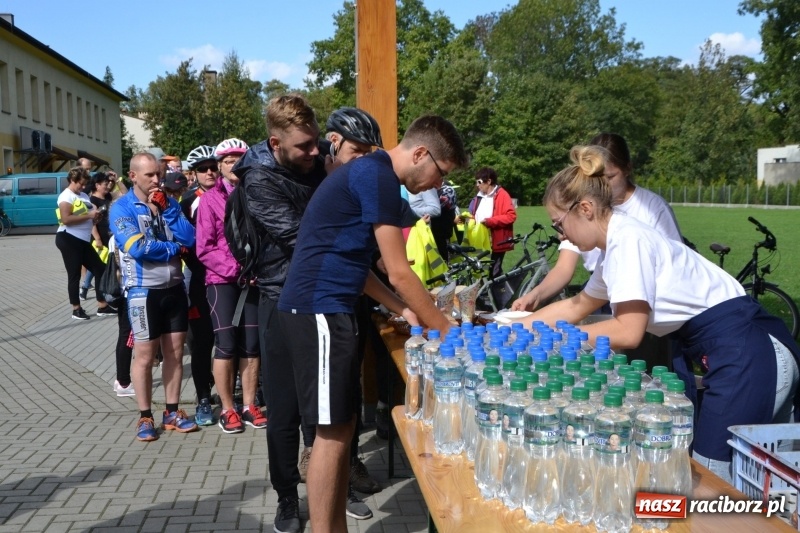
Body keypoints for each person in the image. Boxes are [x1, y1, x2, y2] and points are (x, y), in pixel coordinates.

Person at [514, 145, 799, 484]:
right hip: (740, 349)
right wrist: (515, 326)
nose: (562, 236)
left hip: (747, 352)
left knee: (711, 478)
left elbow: (629, 331)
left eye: (560, 225)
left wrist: (559, 336)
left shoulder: (627, 242)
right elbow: (579, 305)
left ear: (586, 209)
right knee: (744, 479)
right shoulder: (617, 242)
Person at [277, 114, 468, 532]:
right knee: (331, 435)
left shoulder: (373, 173)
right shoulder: (376, 174)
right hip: (319, 309)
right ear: (420, 153)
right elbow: (399, 271)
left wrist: (404, 309)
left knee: (342, 429)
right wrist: (452, 334)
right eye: (440, 173)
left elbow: (361, 267)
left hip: (327, 308)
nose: (438, 185)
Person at [237, 94, 328, 533]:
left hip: (323, 298)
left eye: (316, 143)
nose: (315, 152)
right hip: (279, 297)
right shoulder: (258, 180)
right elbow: (303, 237)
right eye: (304, 148)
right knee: (286, 410)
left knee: (323, 408)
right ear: (275, 144)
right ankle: (288, 499)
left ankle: (329, 490)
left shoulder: (318, 158)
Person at [299, 107, 385, 497]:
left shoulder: (357, 180)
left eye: (371, 152)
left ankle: (343, 477)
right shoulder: (313, 181)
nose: (364, 160)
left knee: (343, 408)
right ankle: (306, 493)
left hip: (347, 297)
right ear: (332, 145)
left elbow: (366, 254)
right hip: (311, 301)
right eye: (357, 151)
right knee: (324, 422)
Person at [512, 132, 682, 312]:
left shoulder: (639, 221)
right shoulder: (582, 220)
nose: (605, 186)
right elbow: (564, 269)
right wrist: (536, 295)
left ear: (627, 169)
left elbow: (673, 267)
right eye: (598, 180)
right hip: (601, 288)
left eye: (610, 177)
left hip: (646, 294)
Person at [110, 152, 198, 442]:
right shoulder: (122, 208)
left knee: (174, 353)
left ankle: (172, 411)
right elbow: (137, 248)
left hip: (174, 289)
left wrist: (170, 212)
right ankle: (145, 415)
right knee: (146, 357)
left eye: (158, 174)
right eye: (149, 175)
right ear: (133, 176)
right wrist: (175, 250)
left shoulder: (168, 203)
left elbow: (191, 238)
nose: (156, 180)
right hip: (142, 292)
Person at [196, 138, 267, 434]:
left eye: (239, 159)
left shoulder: (258, 195)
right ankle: (228, 409)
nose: (233, 165)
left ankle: (249, 405)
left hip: (253, 279)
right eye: (227, 161)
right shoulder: (209, 201)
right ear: (220, 166)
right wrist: (236, 268)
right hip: (222, 282)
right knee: (226, 345)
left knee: (251, 345)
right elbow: (204, 248)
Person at [180, 145, 219, 427]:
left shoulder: (230, 195)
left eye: (213, 167)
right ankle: (203, 397)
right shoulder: (187, 202)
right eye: (203, 168)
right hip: (198, 278)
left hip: (226, 279)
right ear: (194, 173)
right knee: (201, 342)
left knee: (230, 342)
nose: (209, 172)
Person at [55, 166, 116, 320]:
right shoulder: (66, 196)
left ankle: (102, 305)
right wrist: (89, 216)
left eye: (84, 184)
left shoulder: (83, 195)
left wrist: (96, 218)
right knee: (74, 274)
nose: (82, 187)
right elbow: (66, 219)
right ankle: (76, 309)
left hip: (82, 240)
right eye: (80, 184)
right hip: (68, 239)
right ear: (72, 180)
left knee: (100, 269)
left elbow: (87, 215)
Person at [462, 167, 516, 278]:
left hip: (496, 241)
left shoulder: (502, 195)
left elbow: (511, 216)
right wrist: (466, 218)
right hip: (479, 240)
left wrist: (490, 221)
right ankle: (482, 292)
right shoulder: (479, 197)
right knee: (479, 270)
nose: (477, 185)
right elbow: (474, 215)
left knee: (494, 272)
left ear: (489, 181)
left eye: (479, 182)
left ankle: (494, 293)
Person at [79, 172, 114, 302]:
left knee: (99, 265)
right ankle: (87, 288)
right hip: (98, 238)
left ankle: (87, 288)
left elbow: (124, 193)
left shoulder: (108, 197)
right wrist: (97, 238)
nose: (108, 186)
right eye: (105, 184)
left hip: (109, 236)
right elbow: (92, 222)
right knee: (98, 265)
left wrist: (117, 180)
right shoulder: (92, 201)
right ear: (97, 185)